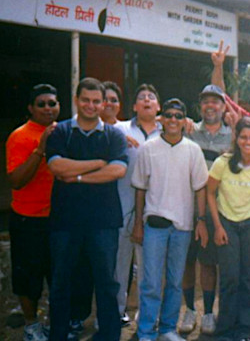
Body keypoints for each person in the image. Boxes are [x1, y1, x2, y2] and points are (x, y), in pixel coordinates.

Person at [46, 77, 128, 341]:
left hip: (103, 222)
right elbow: (57, 167)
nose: (91, 106)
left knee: (106, 284)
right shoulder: (60, 132)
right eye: (86, 100)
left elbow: (118, 170)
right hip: (65, 222)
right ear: (76, 100)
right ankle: (58, 335)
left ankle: (109, 336)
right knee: (61, 283)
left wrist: (77, 176)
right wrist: (97, 163)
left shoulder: (113, 134)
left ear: (103, 103)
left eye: (96, 101)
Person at [131, 98, 209, 341]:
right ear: (161, 119)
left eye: (178, 115)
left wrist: (201, 220)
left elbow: (200, 189)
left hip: (183, 227)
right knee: (152, 283)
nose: (173, 120)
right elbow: (140, 188)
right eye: (169, 115)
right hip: (154, 225)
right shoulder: (148, 148)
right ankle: (146, 331)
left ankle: (167, 329)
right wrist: (137, 224)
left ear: (184, 121)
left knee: (175, 282)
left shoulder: (193, 150)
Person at [207, 117, 250, 341]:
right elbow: (210, 193)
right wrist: (217, 226)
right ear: (236, 138)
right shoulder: (223, 162)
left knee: (248, 277)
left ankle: (244, 328)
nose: (248, 141)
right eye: (243, 136)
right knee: (230, 276)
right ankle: (225, 328)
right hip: (227, 223)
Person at [6, 84, 59, 341]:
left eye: (52, 103)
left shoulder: (63, 131)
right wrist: (41, 149)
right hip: (28, 220)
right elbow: (16, 180)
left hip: (58, 219)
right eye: (42, 104)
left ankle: (53, 321)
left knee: (57, 275)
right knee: (28, 279)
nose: (48, 108)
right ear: (30, 108)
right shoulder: (20, 136)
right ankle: (31, 325)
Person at [181, 83, 233, 334]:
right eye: (205, 101)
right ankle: (189, 310)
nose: (210, 106)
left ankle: (209, 313)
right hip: (186, 206)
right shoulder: (188, 129)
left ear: (224, 107)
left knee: (209, 262)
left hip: (217, 210)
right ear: (200, 106)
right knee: (187, 262)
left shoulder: (233, 134)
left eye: (216, 101)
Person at [113, 84, 162, 327]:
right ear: (134, 106)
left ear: (158, 106)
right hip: (122, 204)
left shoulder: (169, 131)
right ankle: (115, 313)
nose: (146, 100)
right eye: (141, 97)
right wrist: (118, 137)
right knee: (119, 263)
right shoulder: (120, 129)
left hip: (153, 207)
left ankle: (147, 316)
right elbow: (100, 130)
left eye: (151, 98)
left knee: (148, 265)